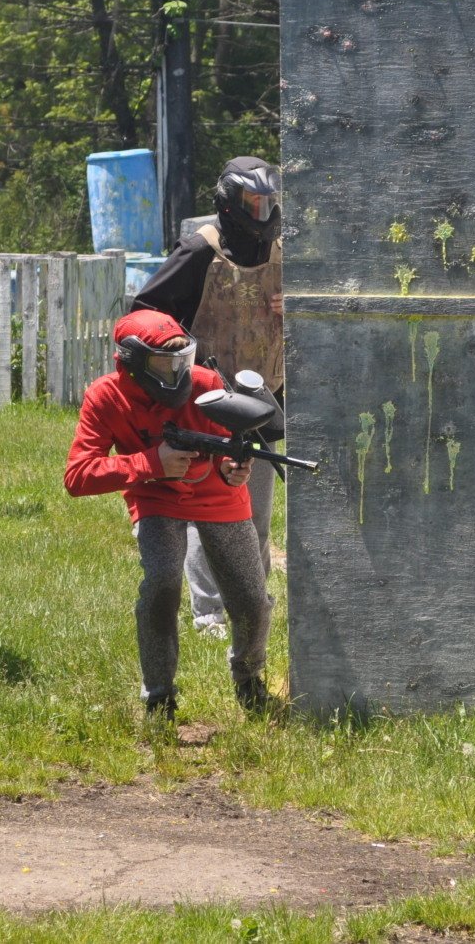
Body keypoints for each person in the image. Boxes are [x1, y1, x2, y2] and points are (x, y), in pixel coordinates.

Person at [63, 308, 272, 720]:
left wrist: (233, 470)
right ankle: (159, 696)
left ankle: (248, 679)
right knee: (161, 586)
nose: (178, 373)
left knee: (252, 600)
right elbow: (77, 476)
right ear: (132, 362)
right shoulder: (106, 396)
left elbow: (230, 451)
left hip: (219, 497)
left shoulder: (207, 384)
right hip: (155, 497)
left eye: (183, 360)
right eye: (164, 364)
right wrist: (150, 464)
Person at [133, 157, 282, 637]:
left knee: (253, 512)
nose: (262, 213)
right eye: (253, 202)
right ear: (230, 201)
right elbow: (146, 311)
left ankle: (253, 603)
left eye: (268, 202)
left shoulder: (284, 252)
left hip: (266, 396)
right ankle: (209, 613)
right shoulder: (201, 249)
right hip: (207, 399)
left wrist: (294, 306)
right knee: (208, 509)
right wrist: (181, 354)